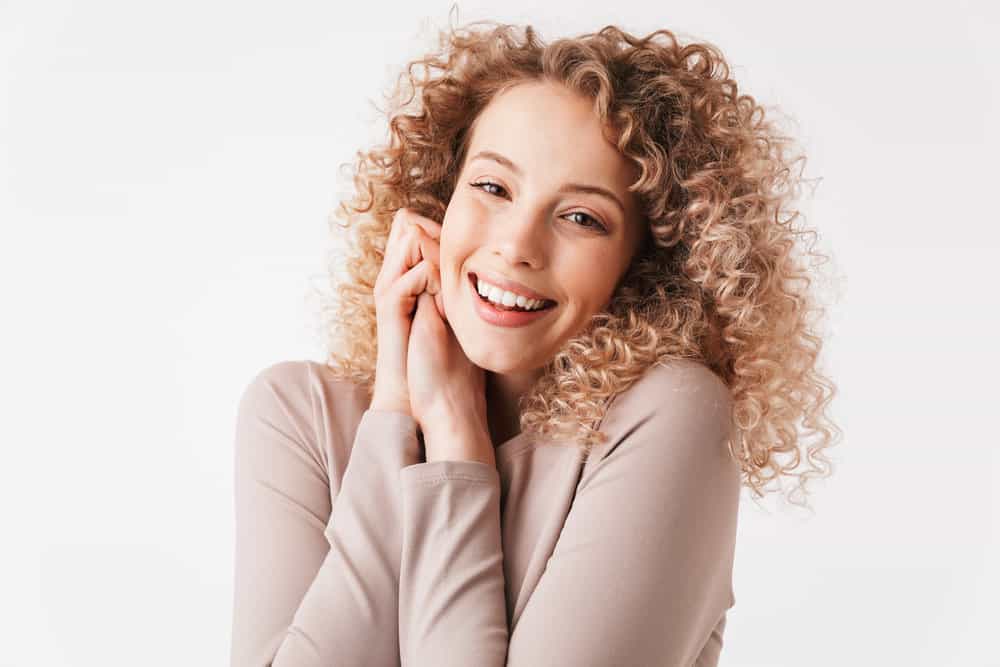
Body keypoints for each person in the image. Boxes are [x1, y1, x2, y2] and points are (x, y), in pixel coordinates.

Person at [230, 17, 840, 667]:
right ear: (441, 197)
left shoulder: (670, 416)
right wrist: (395, 414)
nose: (517, 246)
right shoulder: (298, 413)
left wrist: (457, 439)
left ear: (646, 262)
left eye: (582, 217)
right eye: (492, 187)